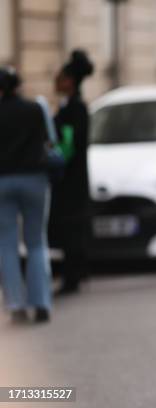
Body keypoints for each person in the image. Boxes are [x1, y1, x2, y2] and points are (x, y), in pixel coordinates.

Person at [0, 66, 53, 323]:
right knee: (36, 242)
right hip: (34, 179)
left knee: (7, 244)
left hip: (2, 182)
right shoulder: (35, 109)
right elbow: (48, 142)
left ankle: (16, 306)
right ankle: (41, 303)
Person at [48, 50, 94, 295]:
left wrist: (54, 157)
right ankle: (74, 271)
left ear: (70, 81)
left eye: (60, 77)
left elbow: (68, 143)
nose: (55, 81)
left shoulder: (75, 108)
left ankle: (73, 274)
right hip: (71, 176)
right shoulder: (71, 106)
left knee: (71, 224)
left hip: (70, 177)